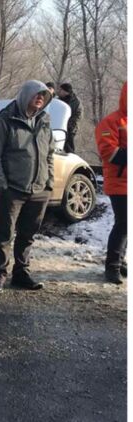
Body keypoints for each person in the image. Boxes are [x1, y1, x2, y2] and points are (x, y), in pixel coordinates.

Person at [0, 80, 54, 295]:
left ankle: (21, 273)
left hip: (39, 189)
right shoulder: (4, 121)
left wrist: (49, 182)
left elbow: (50, 153)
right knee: (5, 234)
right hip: (13, 189)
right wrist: (2, 187)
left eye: (44, 95)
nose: (40, 98)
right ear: (25, 95)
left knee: (28, 234)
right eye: (36, 94)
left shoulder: (44, 120)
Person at [95, 82, 127, 284]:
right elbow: (109, 152)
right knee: (124, 224)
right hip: (119, 183)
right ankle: (112, 267)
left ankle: (119, 261)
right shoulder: (111, 122)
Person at [58, 83, 83, 153]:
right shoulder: (58, 100)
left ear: (65, 91)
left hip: (70, 127)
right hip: (59, 126)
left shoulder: (76, 101)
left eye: (61, 90)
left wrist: (70, 123)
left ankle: (72, 156)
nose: (59, 91)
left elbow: (79, 115)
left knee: (68, 145)